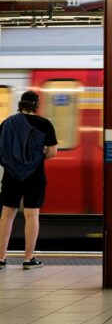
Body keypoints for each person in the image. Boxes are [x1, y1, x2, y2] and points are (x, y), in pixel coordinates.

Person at [0, 91, 58, 270]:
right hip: (35, 175)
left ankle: (1, 259)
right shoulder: (45, 124)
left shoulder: (7, 123)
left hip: (11, 174)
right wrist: (36, 158)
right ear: (36, 105)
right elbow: (52, 152)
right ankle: (28, 259)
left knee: (6, 215)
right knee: (31, 215)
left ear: (20, 104)